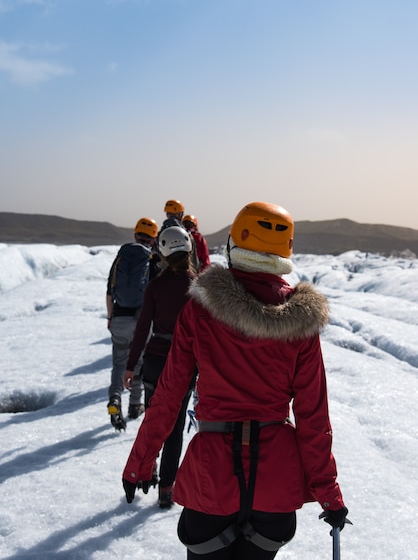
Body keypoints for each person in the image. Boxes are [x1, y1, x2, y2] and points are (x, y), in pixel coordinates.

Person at [122, 201, 349, 559]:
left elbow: (168, 397)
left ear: (234, 244)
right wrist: (329, 494)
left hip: (212, 476)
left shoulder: (199, 310)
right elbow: (313, 419)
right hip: (274, 481)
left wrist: (140, 462)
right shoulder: (302, 323)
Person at [123, 225, 197, 508]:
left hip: (155, 362)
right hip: (184, 366)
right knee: (175, 429)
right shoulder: (197, 286)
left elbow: (142, 329)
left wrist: (131, 366)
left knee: (153, 422)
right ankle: (166, 489)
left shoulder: (155, 286)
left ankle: (146, 469)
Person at [106, 217, 158, 430]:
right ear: (153, 239)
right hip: (141, 320)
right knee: (137, 362)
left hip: (119, 316)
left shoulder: (121, 257)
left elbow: (110, 291)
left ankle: (115, 398)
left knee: (119, 363)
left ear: (135, 234)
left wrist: (110, 317)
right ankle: (135, 405)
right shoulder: (151, 259)